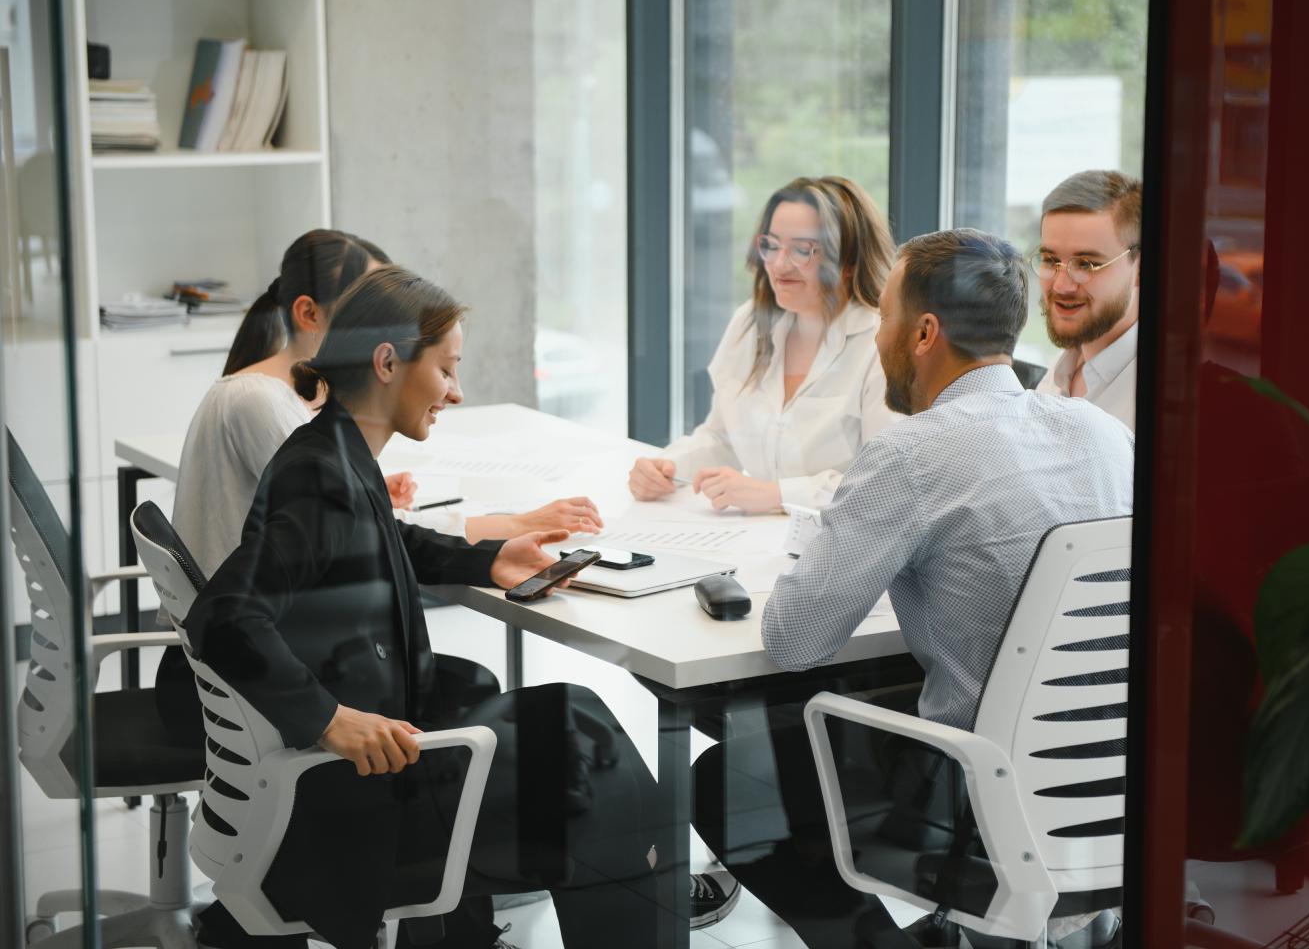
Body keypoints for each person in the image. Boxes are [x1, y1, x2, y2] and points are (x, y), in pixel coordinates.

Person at [185, 267, 665, 949]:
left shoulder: (334, 452)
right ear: (388, 363)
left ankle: (462, 934)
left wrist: (487, 559)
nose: (456, 392)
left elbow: (383, 539)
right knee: (590, 751)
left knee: (571, 715)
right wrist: (329, 719)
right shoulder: (323, 475)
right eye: (446, 370)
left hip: (354, 782)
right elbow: (222, 616)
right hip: (359, 806)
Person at [692, 229, 1135, 949]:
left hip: (986, 802)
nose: (876, 341)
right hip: (1121, 784)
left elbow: (795, 640)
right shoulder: (1104, 433)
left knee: (729, 778)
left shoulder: (911, 455)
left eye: (885, 322)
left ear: (924, 332)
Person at [174, 228, 601, 577]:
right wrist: (514, 525)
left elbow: (349, 524)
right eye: (366, 303)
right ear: (309, 313)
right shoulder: (264, 406)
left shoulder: (279, 401)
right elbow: (378, 538)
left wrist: (368, 490)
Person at [629, 175, 898, 512]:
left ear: (849, 262)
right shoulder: (749, 323)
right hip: (752, 539)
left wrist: (777, 496)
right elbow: (720, 437)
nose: (779, 264)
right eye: (771, 244)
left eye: (803, 250)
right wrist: (665, 467)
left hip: (835, 547)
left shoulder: (880, 345)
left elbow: (885, 484)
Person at [1034, 170, 1142, 431]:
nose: (1062, 285)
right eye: (1050, 260)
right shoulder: (1059, 372)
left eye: (1087, 264)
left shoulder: (1164, 400)